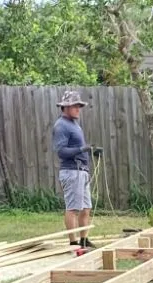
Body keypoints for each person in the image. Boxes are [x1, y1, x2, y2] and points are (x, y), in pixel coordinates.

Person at [53, 91, 95, 249]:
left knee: (86, 208)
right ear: (66, 107)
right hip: (71, 171)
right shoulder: (61, 126)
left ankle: (84, 240)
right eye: (75, 106)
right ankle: (73, 242)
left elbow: (78, 148)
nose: (79, 109)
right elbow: (61, 151)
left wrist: (88, 151)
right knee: (73, 208)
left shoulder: (74, 124)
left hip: (81, 171)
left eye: (79, 106)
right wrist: (82, 149)